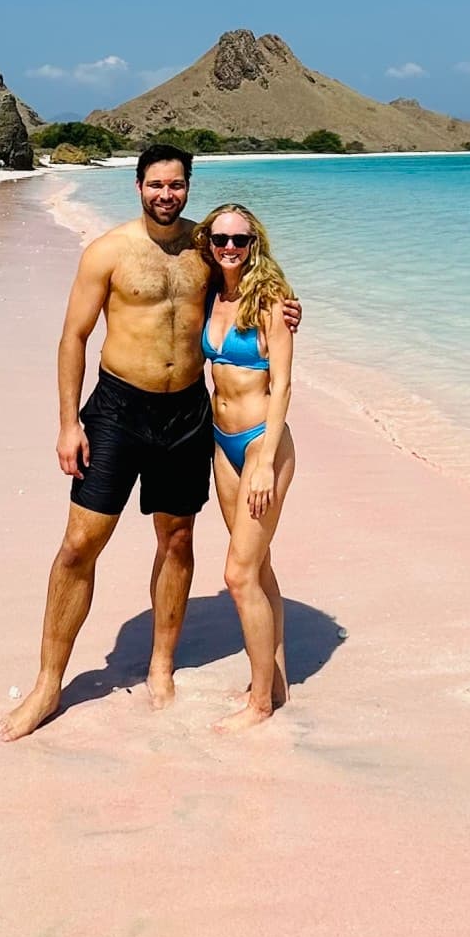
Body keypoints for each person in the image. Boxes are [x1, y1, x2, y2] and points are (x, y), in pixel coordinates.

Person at [0, 144, 297, 742]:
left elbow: (251, 285)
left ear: (188, 187)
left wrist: (286, 310)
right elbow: (73, 337)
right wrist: (67, 422)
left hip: (187, 412)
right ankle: (48, 684)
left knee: (178, 537)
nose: (167, 194)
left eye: (177, 185)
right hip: (117, 409)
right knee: (80, 544)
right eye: (156, 184)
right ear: (138, 186)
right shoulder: (108, 252)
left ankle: (162, 665)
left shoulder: (206, 251)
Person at [198, 203, 296, 728]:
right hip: (222, 443)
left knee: (237, 574)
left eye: (240, 239)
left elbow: (281, 383)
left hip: (263, 444)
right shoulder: (210, 294)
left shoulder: (272, 303)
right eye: (221, 239)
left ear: (255, 242)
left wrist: (263, 462)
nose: (230, 247)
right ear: (209, 243)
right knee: (256, 565)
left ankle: (258, 704)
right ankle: (275, 679)